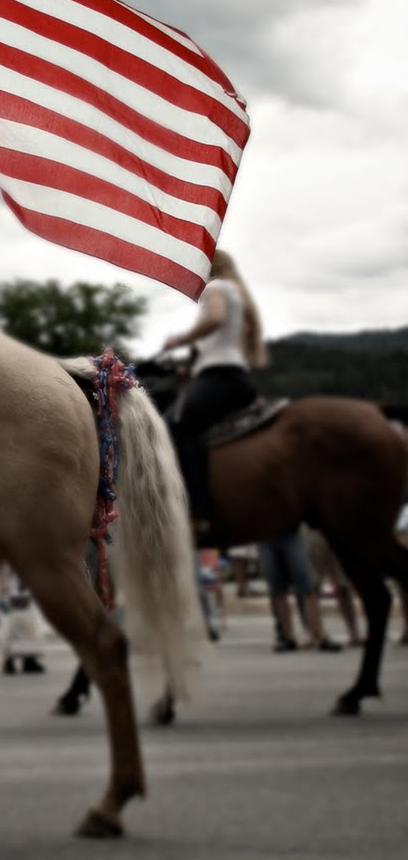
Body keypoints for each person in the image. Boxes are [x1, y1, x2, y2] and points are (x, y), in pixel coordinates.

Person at [161, 247, 266, 538]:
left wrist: (180, 339)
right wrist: (192, 369)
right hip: (232, 376)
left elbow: (216, 318)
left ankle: (197, 511)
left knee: (176, 425)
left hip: (220, 377)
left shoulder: (216, 288)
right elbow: (221, 339)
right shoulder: (236, 292)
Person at [257, 527, 341, 653]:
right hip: (264, 537)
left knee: (306, 587)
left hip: (291, 534)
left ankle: (320, 635)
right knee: (277, 590)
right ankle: (287, 637)